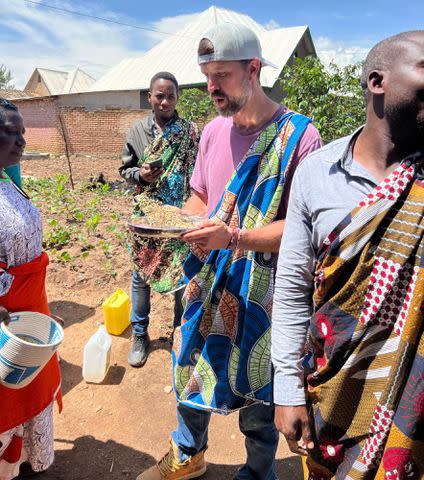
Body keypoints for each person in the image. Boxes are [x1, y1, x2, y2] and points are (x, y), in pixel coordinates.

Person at [137, 24, 322, 480]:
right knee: (189, 368)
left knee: (257, 396)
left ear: (254, 69)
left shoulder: (299, 138)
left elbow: (302, 231)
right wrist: (172, 227)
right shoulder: (213, 133)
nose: (211, 87)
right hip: (206, 280)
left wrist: (234, 238)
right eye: (206, 75)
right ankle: (188, 454)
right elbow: (200, 197)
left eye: (221, 74)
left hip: (262, 294)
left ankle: (258, 473)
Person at [272, 31, 424, 480]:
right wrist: (287, 387)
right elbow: (294, 287)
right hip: (334, 396)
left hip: (414, 406)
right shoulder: (318, 174)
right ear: (378, 80)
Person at [120, 72, 200, 367]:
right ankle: (140, 334)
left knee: (182, 275)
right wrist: (139, 175)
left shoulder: (190, 132)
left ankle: (180, 332)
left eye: (171, 96)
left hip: (180, 214)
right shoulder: (137, 132)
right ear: (150, 97)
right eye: (159, 96)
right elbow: (125, 170)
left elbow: (200, 171)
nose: (165, 101)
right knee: (142, 275)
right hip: (147, 215)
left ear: (177, 98)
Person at [0, 98, 62, 478]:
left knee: (29, 382)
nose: (20, 139)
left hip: (29, 305)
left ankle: (24, 457)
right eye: (10, 131)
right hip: (7, 314)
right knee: (9, 389)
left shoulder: (9, 176)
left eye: (22, 132)